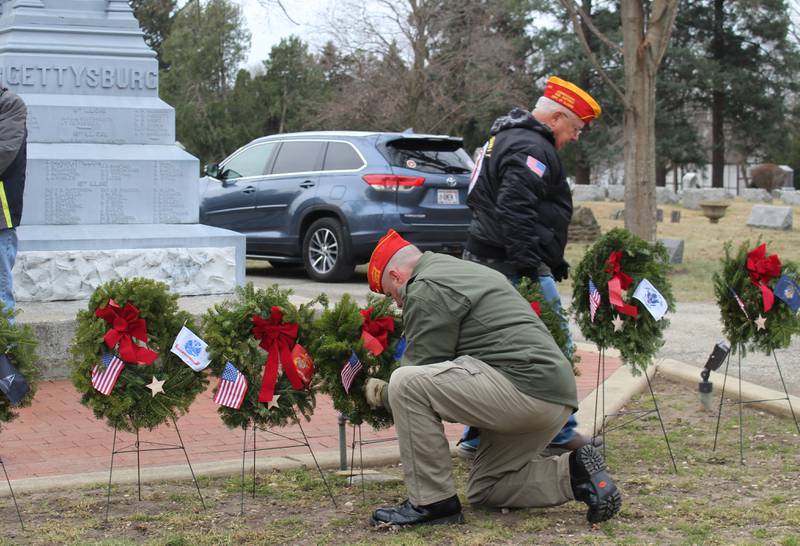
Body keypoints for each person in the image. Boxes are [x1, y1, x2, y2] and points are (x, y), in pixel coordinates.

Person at [364, 229, 621, 527]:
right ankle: (576, 473)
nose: (396, 303)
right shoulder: (461, 271)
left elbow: (422, 368)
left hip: (521, 389)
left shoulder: (426, 286)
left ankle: (432, 503)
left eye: (391, 294)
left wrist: (378, 392)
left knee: (406, 384)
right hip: (552, 396)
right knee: (487, 488)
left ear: (396, 276)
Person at [459, 76, 602, 458]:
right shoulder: (531, 148)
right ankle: (559, 433)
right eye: (575, 128)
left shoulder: (502, 138)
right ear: (555, 118)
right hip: (511, 266)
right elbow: (514, 208)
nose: (575, 138)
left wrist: (552, 257)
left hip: (488, 259)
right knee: (554, 344)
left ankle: (476, 436)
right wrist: (529, 267)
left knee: (493, 349)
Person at [0, 87, 27, 317]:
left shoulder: (10, 104)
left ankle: (4, 351)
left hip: (1, 213)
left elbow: (5, 151)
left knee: (0, 291)